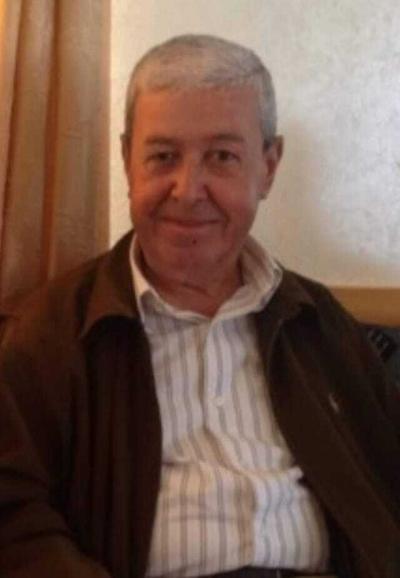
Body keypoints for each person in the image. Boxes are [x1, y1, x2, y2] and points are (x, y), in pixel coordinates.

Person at [0, 34, 399, 578]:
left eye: (221, 157)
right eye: (163, 156)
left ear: (269, 166)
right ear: (127, 161)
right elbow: (14, 519)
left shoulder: (319, 324)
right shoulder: (48, 333)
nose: (188, 190)